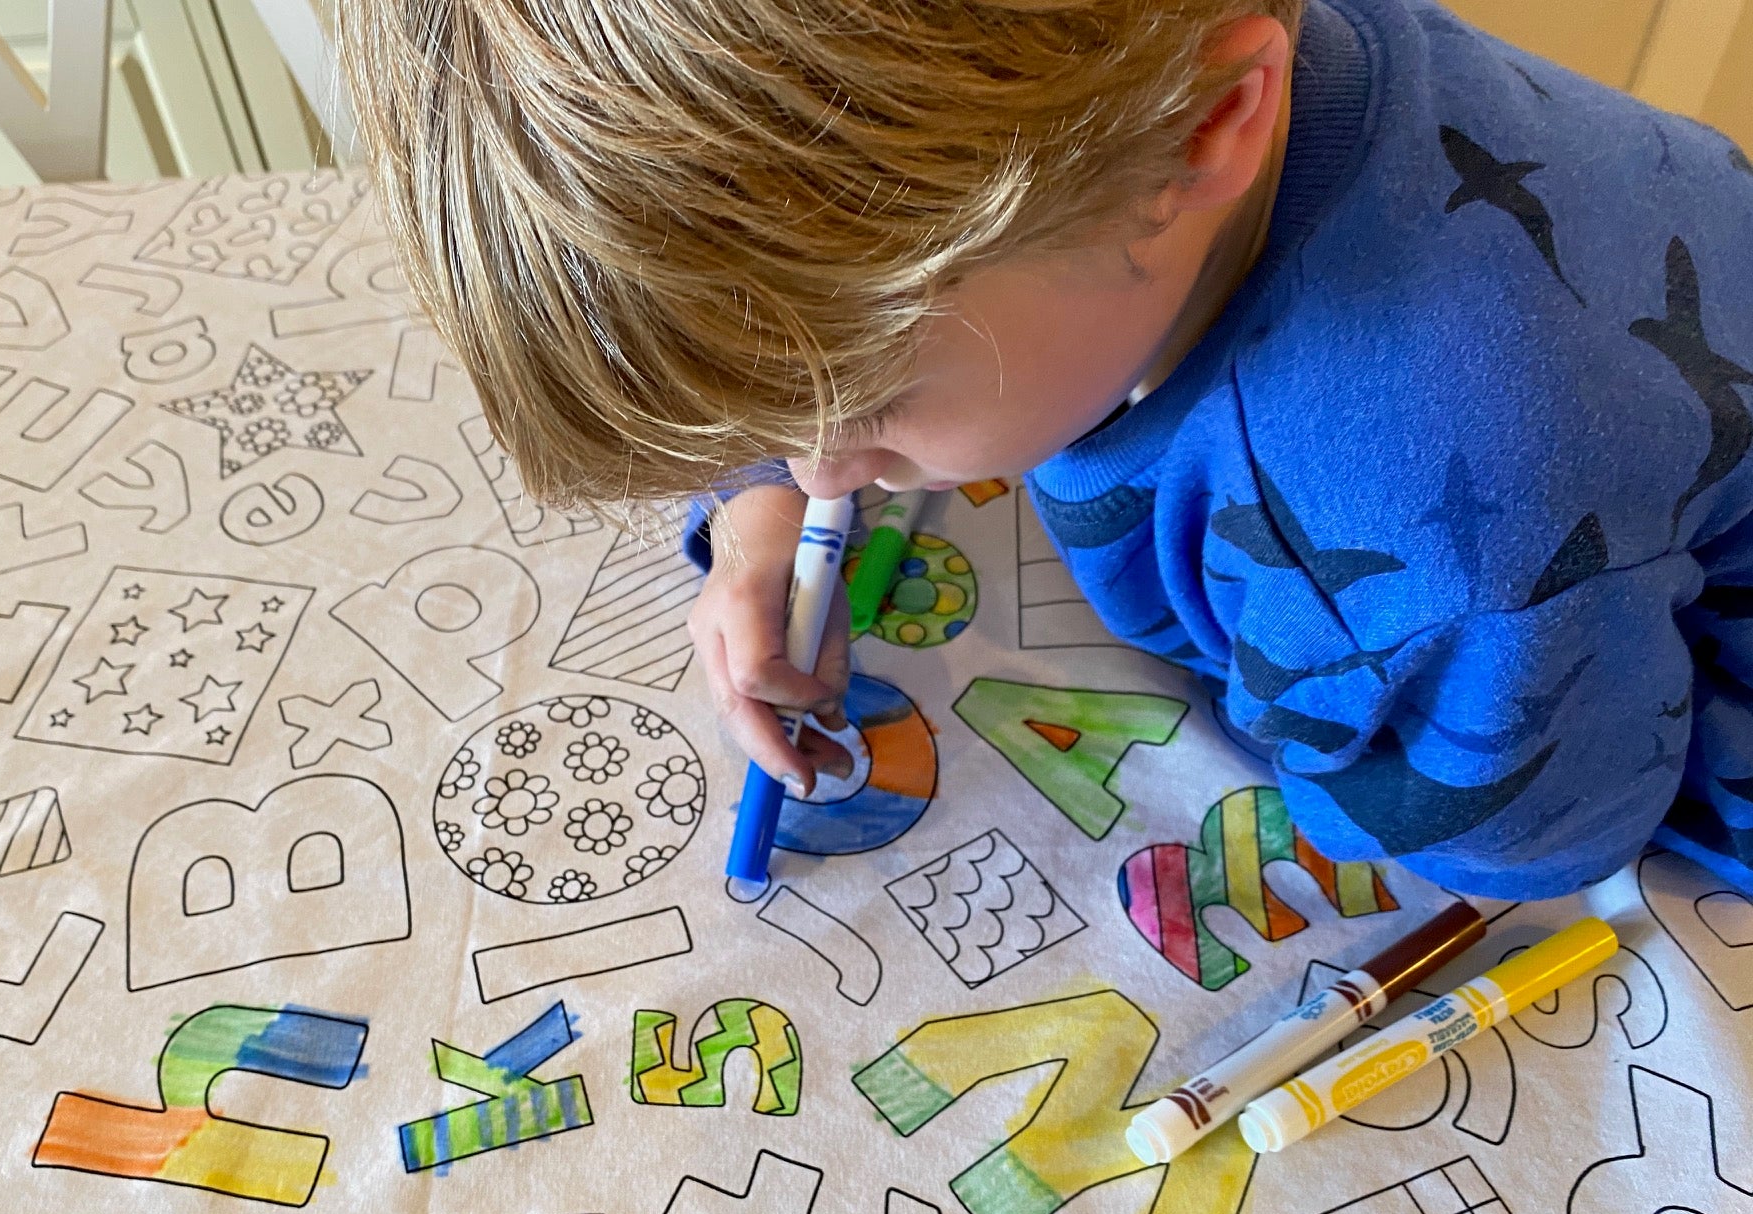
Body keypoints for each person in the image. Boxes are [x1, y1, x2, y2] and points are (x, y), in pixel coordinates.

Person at [338, 0, 1753, 901]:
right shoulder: (1163, 71)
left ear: (1209, 124)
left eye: (869, 403)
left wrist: (1344, 717)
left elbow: (1539, 834)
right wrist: (762, 510)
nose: (826, 474)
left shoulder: (1428, 552)